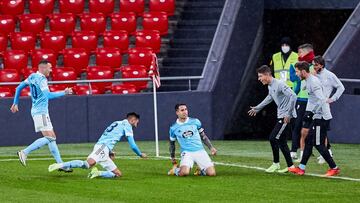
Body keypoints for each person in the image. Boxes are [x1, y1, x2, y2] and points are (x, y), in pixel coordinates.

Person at [10, 60, 73, 172]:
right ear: (43, 68)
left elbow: (18, 88)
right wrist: (64, 92)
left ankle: (60, 164)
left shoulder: (32, 76)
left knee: (52, 138)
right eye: (50, 67)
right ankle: (24, 152)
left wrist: (15, 103)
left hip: (39, 111)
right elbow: (48, 95)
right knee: (50, 137)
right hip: (40, 112)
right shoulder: (42, 80)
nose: (51, 70)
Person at [48, 112, 147, 179]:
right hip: (102, 147)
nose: (137, 124)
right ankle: (60, 165)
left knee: (117, 174)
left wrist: (110, 151)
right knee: (87, 164)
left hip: (104, 148)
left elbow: (107, 135)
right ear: (133, 120)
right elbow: (133, 145)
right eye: (137, 121)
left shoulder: (117, 122)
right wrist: (140, 154)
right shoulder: (128, 126)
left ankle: (97, 173)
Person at [293, 61, 340, 176]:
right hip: (316, 115)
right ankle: (302, 168)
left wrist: (311, 112)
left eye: (297, 71)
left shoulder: (313, 82)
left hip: (322, 117)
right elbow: (309, 94)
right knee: (309, 142)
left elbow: (322, 99)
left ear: (303, 71)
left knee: (318, 144)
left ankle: (334, 168)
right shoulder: (308, 80)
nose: (296, 74)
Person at [248, 65, 298, 174]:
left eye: (260, 76)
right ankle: (291, 166)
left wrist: (288, 114)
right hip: (281, 115)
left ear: (267, 75)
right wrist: (258, 108)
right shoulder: (270, 85)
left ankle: (276, 163)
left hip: (286, 117)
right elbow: (270, 97)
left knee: (273, 138)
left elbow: (293, 96)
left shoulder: (279, 84)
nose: (259, 79)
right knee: (281, 142)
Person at [167, 104, 217, 177]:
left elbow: (203, 136)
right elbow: (172, 144)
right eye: (182, 110)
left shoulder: (195, 121)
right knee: (184, 173)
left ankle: (200, 170)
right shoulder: (173, 128)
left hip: (200, 150)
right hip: (187, 152)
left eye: (186, 109)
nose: (185, 112)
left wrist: (211, 148)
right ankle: (175, 170)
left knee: (212, 173)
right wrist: (172, 157)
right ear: (177, 112)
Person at [312, 55, 345, 164]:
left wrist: (333, 98)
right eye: (313, 64)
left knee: (321, 132)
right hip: (313, 107)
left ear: (321, 65)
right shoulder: (313, 75)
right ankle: (327, 152)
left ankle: (325, 154)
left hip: (324, 108)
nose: (314, 67)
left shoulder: (330, 75)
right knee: (317, 133)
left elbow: (341, 87)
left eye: (316, 65)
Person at [289, 43, 315, 161]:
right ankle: (294, 150)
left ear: (307, 52)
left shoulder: (315, 65)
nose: (298, 55)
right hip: (301, 99)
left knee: (314, 126)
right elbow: (294, 79)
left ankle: (325, 150)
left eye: (300, 52)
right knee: (298, 125)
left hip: (312, 102)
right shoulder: (296, 66)